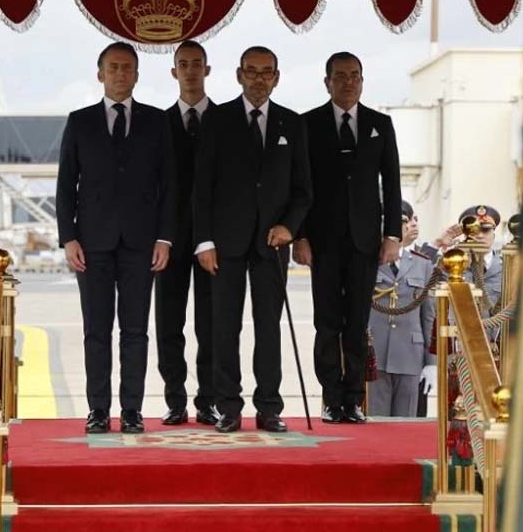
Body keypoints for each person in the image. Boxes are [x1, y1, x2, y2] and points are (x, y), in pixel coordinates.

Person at [56, 42, 177, 434]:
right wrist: (68, 237)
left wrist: (165, 238)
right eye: (113, 67)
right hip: (92, 244)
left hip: (142, 244)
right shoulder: (79, 122)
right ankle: (97, 409)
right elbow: (65, 186)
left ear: (137, 75)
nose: (120, 74)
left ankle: (132, 410)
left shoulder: (157, 122)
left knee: (136, 330)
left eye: (127, 68)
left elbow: (169, 186)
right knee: (96, 330)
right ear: (100, 73)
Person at [193, 46, 312, 433]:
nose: (259, 78)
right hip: (224, 246)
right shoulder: (217, 120)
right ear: (239, 74)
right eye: (252, 71)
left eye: (266, 72)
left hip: (271, 244)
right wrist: (204, 242)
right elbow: (201, 188)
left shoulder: (292, 124)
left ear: (276, 77)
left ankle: (269, 408)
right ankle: (228, 407)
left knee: (268, 326)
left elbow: (303, 190)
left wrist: (290, 227)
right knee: (224, 326)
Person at [294, 51, 402, 424]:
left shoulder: (379, 124)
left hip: (365, 240)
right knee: (327, 323)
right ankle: (330, 398)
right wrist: (300, 237)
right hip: (322, 241)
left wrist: (392, 235)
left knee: (356, 323)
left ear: (362, 80)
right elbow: (301, 185)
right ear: (327, 82)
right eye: (340, 76)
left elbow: (391, 182)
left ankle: (354, 399)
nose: (348, 82)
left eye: (354, 75)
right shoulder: (307, 124)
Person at [155, 40, 218, 426]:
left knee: (211, 323)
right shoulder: (158, 123)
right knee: (168, 323)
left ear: (207, 70)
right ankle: (175, 400)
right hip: (170, 239)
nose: (191, 70)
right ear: (173, 71)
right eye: (183, 64)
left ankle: (208, 400)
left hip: (213, 240)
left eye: (197, 64)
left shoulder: (226, 120)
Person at [368, 200, 436, 417]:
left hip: (410, 355)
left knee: (406, 423)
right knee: (374, 423)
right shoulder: (367, 261)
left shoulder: (423, 264)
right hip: (374, 354)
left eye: (403, 221)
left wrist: (431, 362)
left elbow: (428, 317)